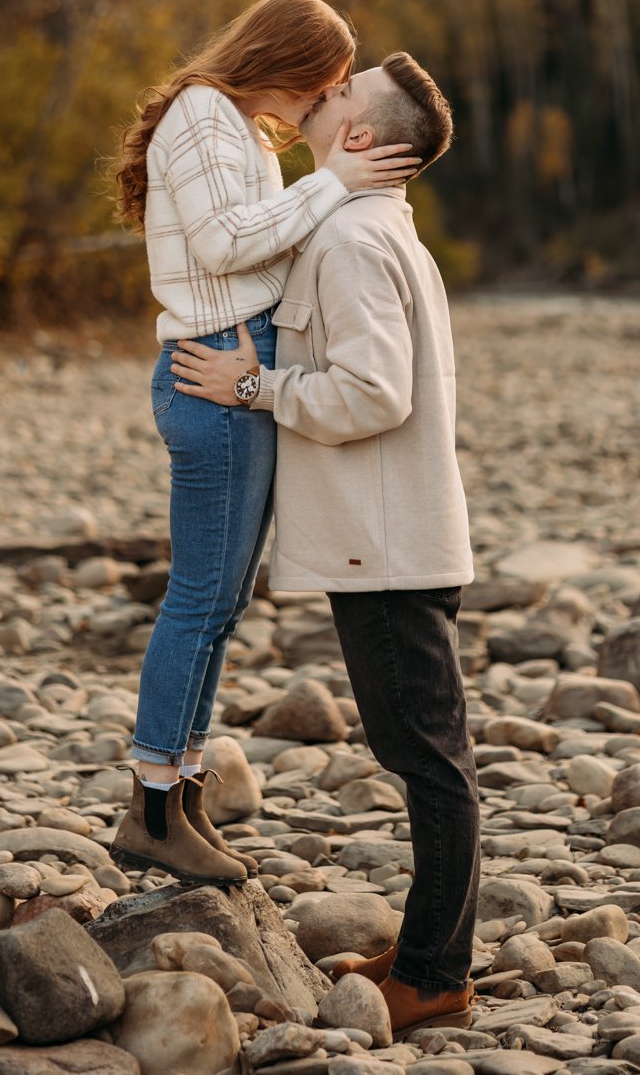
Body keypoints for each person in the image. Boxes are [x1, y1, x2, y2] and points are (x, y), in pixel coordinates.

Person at [172, 52, 479, 1035]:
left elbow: (373, 393)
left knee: (426, 760)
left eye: (341, 91)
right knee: (426, 754)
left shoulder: (351, 237)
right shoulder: (367, 226)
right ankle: (431, 951)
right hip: (394, 540)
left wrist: (251, 389)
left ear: (358, 137)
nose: (323, 87)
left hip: (384, 547)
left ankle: (434, 976)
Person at [108, 0, 420, 885]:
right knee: (201, 600)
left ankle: (183, 790)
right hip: (212, 373)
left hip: (234, 371)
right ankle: (152, 804)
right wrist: (336, 185)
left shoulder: (237, 127)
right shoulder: (205, 115)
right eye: (322, 82)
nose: (325, 101)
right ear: (280, 58)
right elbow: (220, 244)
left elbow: (260, 247)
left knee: (223, 603)